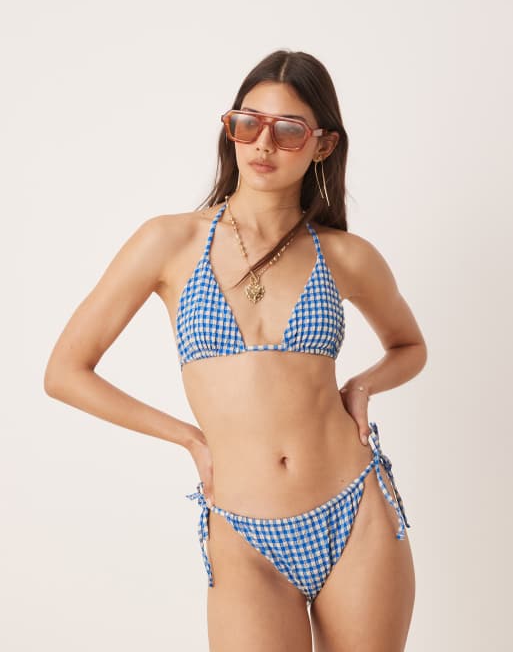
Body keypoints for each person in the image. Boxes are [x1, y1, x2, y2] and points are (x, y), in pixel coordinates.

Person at [44, 49, 427, 652]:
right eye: (248, 123)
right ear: (231, 129)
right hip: (241, 530)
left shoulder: (346, 256)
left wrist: (363, 385)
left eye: (288, 130)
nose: (263, 144)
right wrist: (189, 439)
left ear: (323, 145)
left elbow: (409, 346)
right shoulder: (169, 241)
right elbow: (65, 372)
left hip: (356, 511)